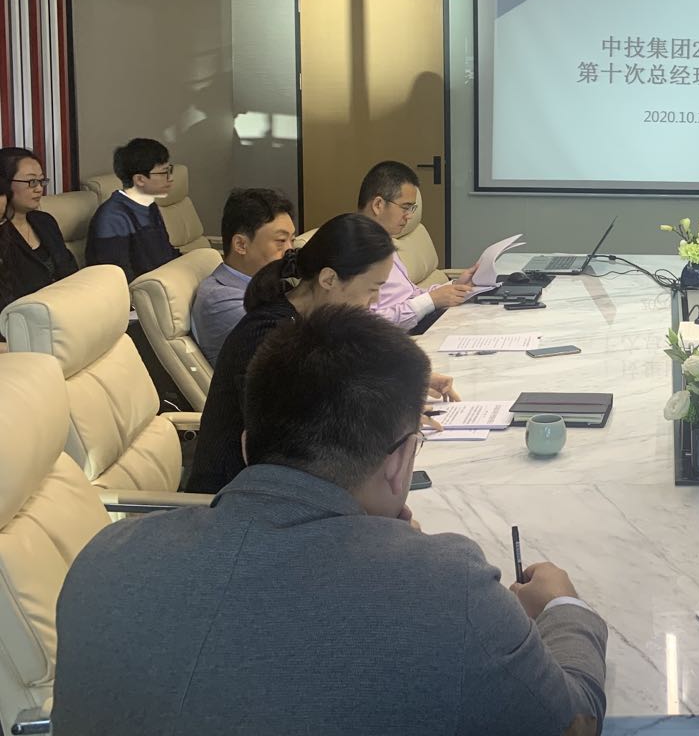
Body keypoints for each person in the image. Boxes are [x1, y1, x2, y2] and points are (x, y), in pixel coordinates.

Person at [53, 304, 608, 734]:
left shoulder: (102, 560)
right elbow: (574, 724)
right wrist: (564, 609)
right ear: (400, 462)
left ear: (247, 446)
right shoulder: (447, 586)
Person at [186, 212, 457, 494]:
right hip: (240, 494)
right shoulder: (268, 335)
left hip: (294, 482)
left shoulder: (313, 321)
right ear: (329, 279)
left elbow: (342, 379)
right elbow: (297, 432)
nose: (375, 301)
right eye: (373, 288)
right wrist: (389, 419)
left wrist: (400, 385)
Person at [357, 161, 473, 331]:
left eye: (411, 209)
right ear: (378, 205)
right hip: (398, 335)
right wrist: (431, 300)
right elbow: (368, 324)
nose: (409, 216)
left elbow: (410, 295)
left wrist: (454, 286)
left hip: (417, 321)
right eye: (405, 208)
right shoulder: (355, 248)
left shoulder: (382, 239)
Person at [191, 187, 296, 364]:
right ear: (241, 245)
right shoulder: (219, 299)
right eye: (281, 241)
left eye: (292, 240)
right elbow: (295, 344)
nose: (289, 251)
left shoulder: (269, 283)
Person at [84, 137, 180, 280]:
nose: (170, 178)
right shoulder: (113, 217)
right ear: (140, 179)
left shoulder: (149, 205)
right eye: (163, 172)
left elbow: (166, 254)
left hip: (163, 282)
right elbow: (118, 277)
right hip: (138, 289)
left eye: (170, 170)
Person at [0, 146, 78, 304]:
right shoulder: (2, 233)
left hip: (68, 306)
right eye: (31, 182)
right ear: (5, 184)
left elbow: (71, 271)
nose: (39, 189)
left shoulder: (45, 221)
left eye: (41, 181)